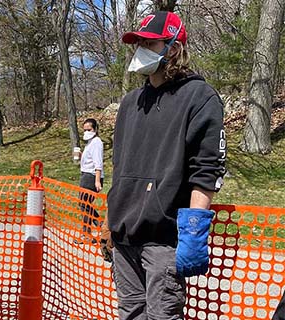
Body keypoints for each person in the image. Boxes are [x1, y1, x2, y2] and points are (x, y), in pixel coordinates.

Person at [106, 11, 227, 319]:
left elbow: (207, 168)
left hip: (163, 238)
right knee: (130, 313)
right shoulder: (131, 102)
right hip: (123, 238)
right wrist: (110, 223)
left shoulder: (199, 97)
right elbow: (120, 168)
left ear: (172, 48)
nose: (139, 50)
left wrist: (194, 229)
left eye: (149, 43)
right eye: (138, 43)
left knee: (162, 315)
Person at [77, 118, 104, 244]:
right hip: (86, 175)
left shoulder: (97, 142)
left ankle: (87, 233)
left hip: (91, 177)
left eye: (89, 129)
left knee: (84, 204)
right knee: (85, 205)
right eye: (85, 130)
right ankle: (101, 226)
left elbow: (98, 163)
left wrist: (97, 181)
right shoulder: (89, 143)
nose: (87, 132)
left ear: (95, 129)